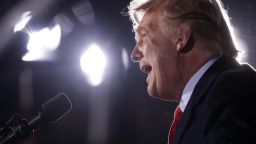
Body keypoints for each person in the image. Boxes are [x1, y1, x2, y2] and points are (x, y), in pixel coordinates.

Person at [127, 0, 256, 143]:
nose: (134, 54)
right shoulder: (211, 98)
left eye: (144, 35)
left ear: (181, 37)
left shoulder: (234, 89)